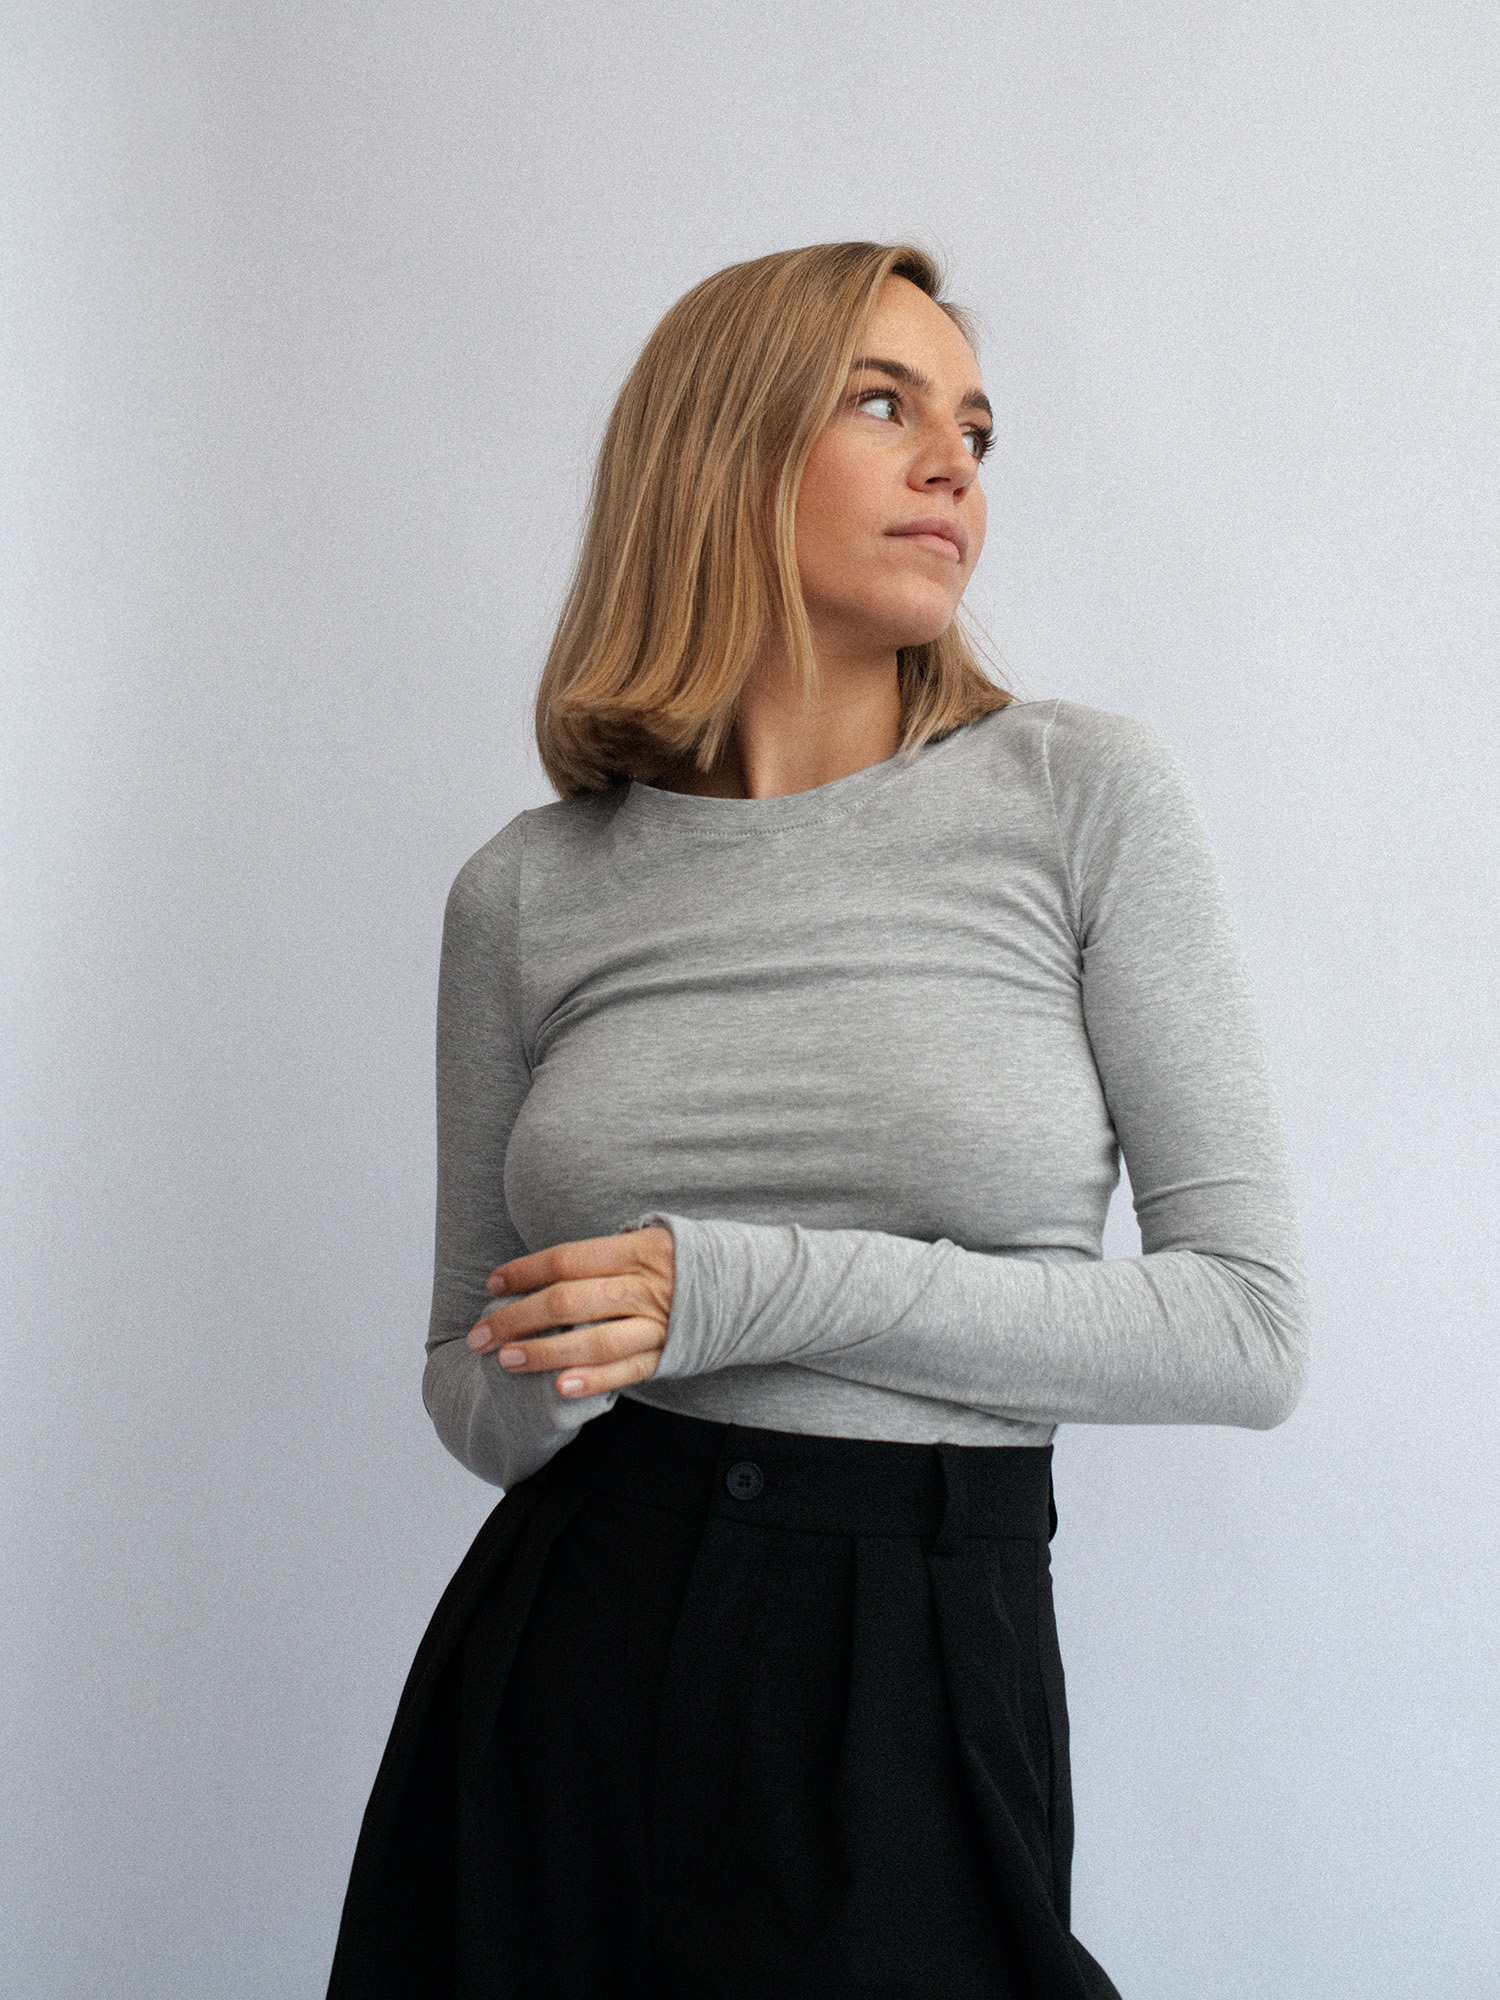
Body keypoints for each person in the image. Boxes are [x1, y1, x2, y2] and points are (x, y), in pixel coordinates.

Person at [326, 241, 1309, 2000]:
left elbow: (1247, 1329)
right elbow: (466, 1391)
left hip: (915, 1639)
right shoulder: (527, 891)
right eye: (884, 404)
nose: (954, 467)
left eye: (975, 431)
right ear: (721, 449)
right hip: (567, 1637)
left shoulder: (1077, 795)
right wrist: (556, 1362)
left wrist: (728, 1287)